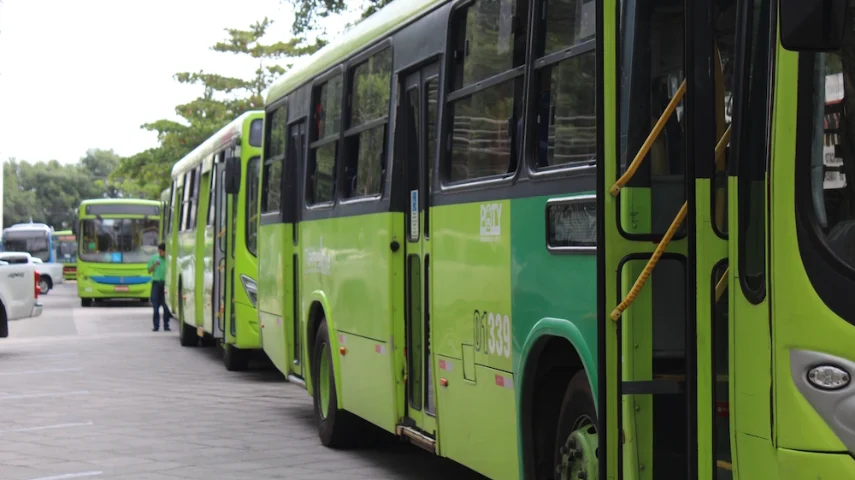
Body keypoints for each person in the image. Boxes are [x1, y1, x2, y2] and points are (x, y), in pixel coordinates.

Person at [147, 243, 171, 332]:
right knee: (155, 306)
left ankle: (166, 325)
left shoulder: (169, 259)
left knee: (166, 306)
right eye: (160, 251)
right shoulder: (154, 258)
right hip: (156, 283)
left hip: (165, 283)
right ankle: (156, 326)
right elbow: (149, 271)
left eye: (163, 252)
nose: (162, 253)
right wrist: (154, 265)